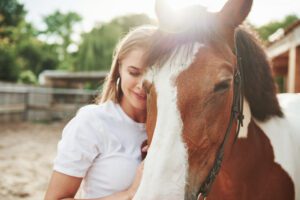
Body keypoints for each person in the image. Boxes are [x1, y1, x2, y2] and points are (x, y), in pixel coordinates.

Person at [45, 25, 157, 200]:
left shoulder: (169, 129)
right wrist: (129, 195)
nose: (142, 84)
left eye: (154, 75)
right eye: (134, 72)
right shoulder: (93, 121)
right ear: (119, 68)